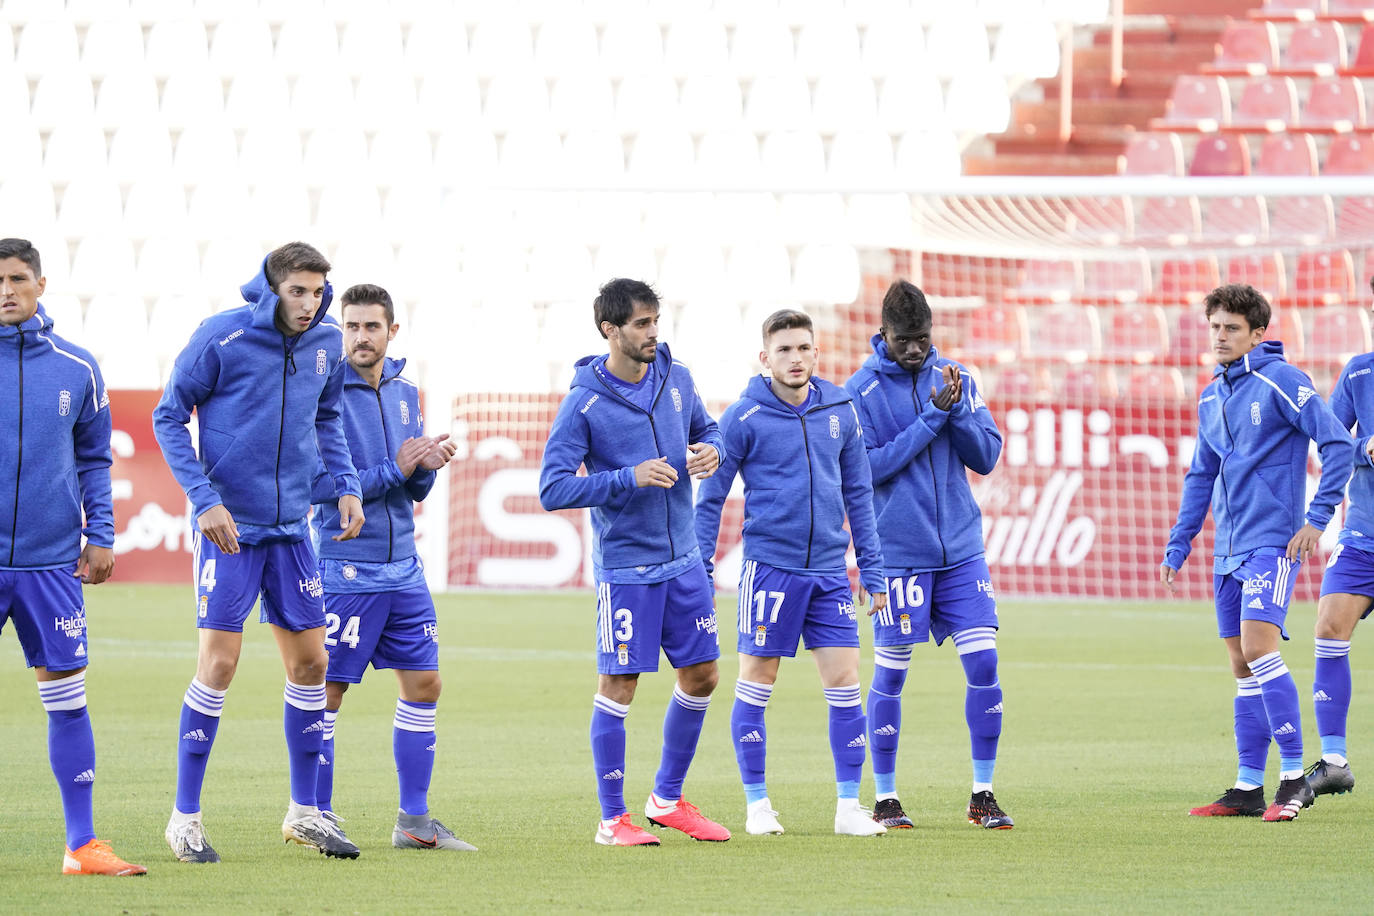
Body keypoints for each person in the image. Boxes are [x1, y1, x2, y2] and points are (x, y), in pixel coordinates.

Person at [154, 242, 365, 861]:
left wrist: (347, 486)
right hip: (230, 529)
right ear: (272, 290)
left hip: (292, 530)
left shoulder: (327, 344)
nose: (311, 302)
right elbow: (170, 417)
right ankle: (184, 819)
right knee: (219, 666)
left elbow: (328, 420)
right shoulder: (220, 338)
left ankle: (305, 813)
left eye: (319, 290)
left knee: (311, 667)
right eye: (298, 290)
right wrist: (204, 499)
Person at [539, 278, 730, 847]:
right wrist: (628, 477)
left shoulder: (678, 376)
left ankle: (667, 800)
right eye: (641, 324)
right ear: (610, 330)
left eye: (655, 322)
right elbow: (552, 489)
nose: (653, 333)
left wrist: (711, 448)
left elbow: (708, 429)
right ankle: (611, 820)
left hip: (686, 561)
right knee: (620, 683)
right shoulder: (584, 402)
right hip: (627, 569)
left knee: (703, 675)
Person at [1162, 283, 1353, 822]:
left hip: (1272, 543)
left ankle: (1293, 780)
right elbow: (1202, 473)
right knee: (1241, 663)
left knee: (1259, 648)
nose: (1220, 337)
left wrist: (1316, 521)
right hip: (1228, 547)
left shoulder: (1282, 380)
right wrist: (1180, 543)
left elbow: (1336, 443)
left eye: (1232, 329)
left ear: (1257, 334)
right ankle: (1248, 786)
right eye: (1215, 327)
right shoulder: (1210, 394)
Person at [695, 308, 888, 837]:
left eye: (803, 348)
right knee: (758, 682)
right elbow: (711, 497)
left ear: (816, 353)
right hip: (771, 572)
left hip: (830, 573)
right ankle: (758, 805)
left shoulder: (842, 409)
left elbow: (859, 494)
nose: (795, 358)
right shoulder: (742, 418)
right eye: (784, 350)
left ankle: (849, 807)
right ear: (765, 358)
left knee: (847, 683)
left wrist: (871, 569)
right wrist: (699, 569)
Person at [308, 284, 474, 852]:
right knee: (327, 693)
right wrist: (391, 467)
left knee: (425, 683)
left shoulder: (406, 391)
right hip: (345, 569)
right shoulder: (320, 390)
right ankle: (318, 815)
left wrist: (424, 466)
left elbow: (411, 485)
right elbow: (314, 487)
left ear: (391, 331)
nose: (359, 337)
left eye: (370, 327)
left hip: (403, 567)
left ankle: (414, 821)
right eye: (350, 327)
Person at [0, 238, 145, 876]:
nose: (6, 290)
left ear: (41, 284)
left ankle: (82, 846)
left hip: (51, 564)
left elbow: (94, 458)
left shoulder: (78, 368)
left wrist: (103, 533)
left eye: (16, 279)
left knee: (66, 696)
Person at [844, 279, 1011, 830]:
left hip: (962, 551)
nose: (915, 350)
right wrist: (932, 419)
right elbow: (866, 471)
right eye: (903, 341)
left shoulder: (956, 378)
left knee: (984, 663)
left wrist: (957, 409)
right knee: (891, 675)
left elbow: (986, 456)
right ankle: (887, 797)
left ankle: (982, 794)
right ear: (882, 334)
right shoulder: (859, 392)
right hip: (899, 557)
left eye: (922, 339)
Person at [1304, 276, 1374, 799]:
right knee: (1329, 626)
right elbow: (1332, 444)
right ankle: (1333, 760)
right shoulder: (1360, 371)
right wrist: (1365, 448)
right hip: (1364, 534)